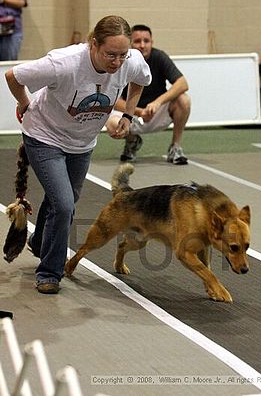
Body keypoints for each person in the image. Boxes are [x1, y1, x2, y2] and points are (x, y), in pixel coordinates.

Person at [5, 15, 151, 294]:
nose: (117, 62)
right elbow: (13, 76)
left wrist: (128, 115)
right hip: (43, 136)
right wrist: (25, 104)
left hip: (82, 143)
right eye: (111, 55)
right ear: (93, 44)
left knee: (63, 201)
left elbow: (140, 81)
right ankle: (49, 271)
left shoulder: (130, 60)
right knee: (64, 204)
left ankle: (40, 242)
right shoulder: (64, 63)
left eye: (122, 55)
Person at [106, 24, 191, 164]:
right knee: (112, 125)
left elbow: (182, 83)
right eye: (137, 41)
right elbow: (113, 99)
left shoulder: (159, 57)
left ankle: (175, 147)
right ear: (130, 43)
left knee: (184, 100)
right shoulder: (120, 61)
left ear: (152, 42)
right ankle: (132, 141)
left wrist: (158, 102)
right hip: (131, 115)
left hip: (156, 113)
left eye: (146, 41)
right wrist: (137, 111)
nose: (142, 45)